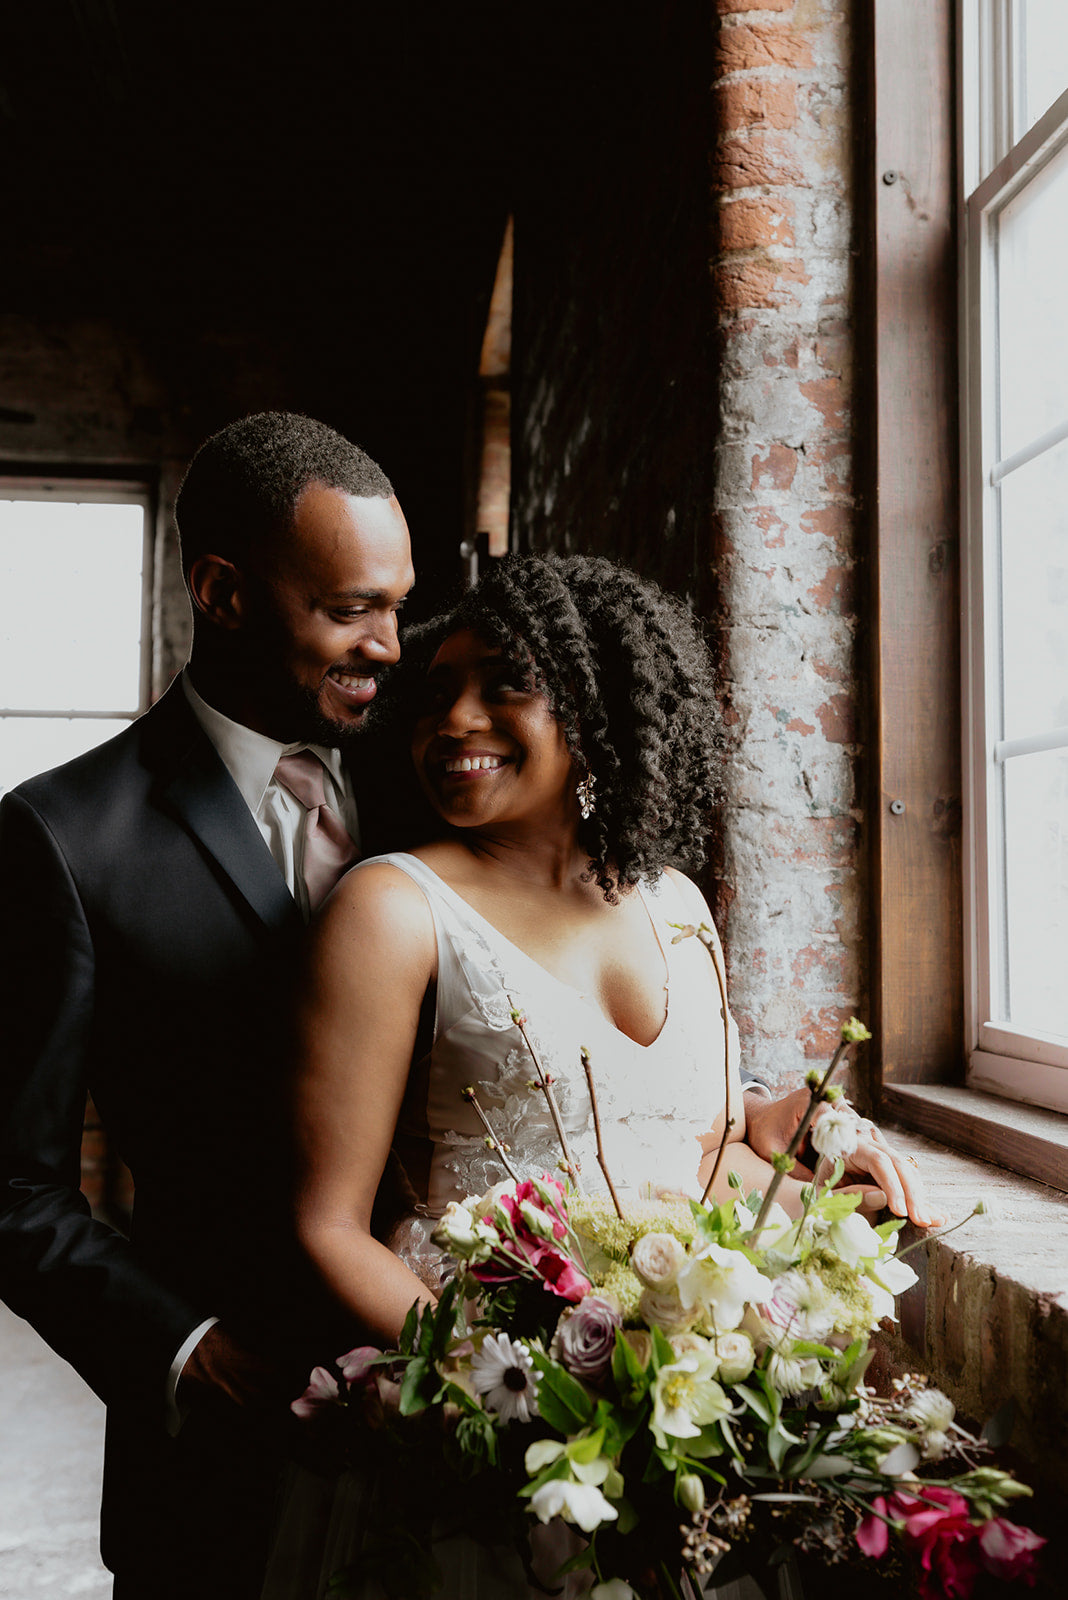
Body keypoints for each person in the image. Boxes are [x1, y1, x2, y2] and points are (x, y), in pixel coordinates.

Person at [272, 552, 937, 1597]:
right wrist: (503, 1393)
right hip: (490, 1429)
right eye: (437, 689)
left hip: (675, 1421)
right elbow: (326, 1224)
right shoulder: (392, 909)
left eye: (505, 682)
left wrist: (824, 1208)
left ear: (600, 705)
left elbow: (703, 1151)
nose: (454, 718)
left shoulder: (676, 904)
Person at [0, 411, 415, 1600]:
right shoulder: (63, 837)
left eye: (400, 603)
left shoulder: (437, 777)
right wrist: (190, 1357)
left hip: (474, 1444)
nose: (391, 645)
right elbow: (14, 1189)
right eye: (351, 609)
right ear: (224, 592)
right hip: (220, 1455)